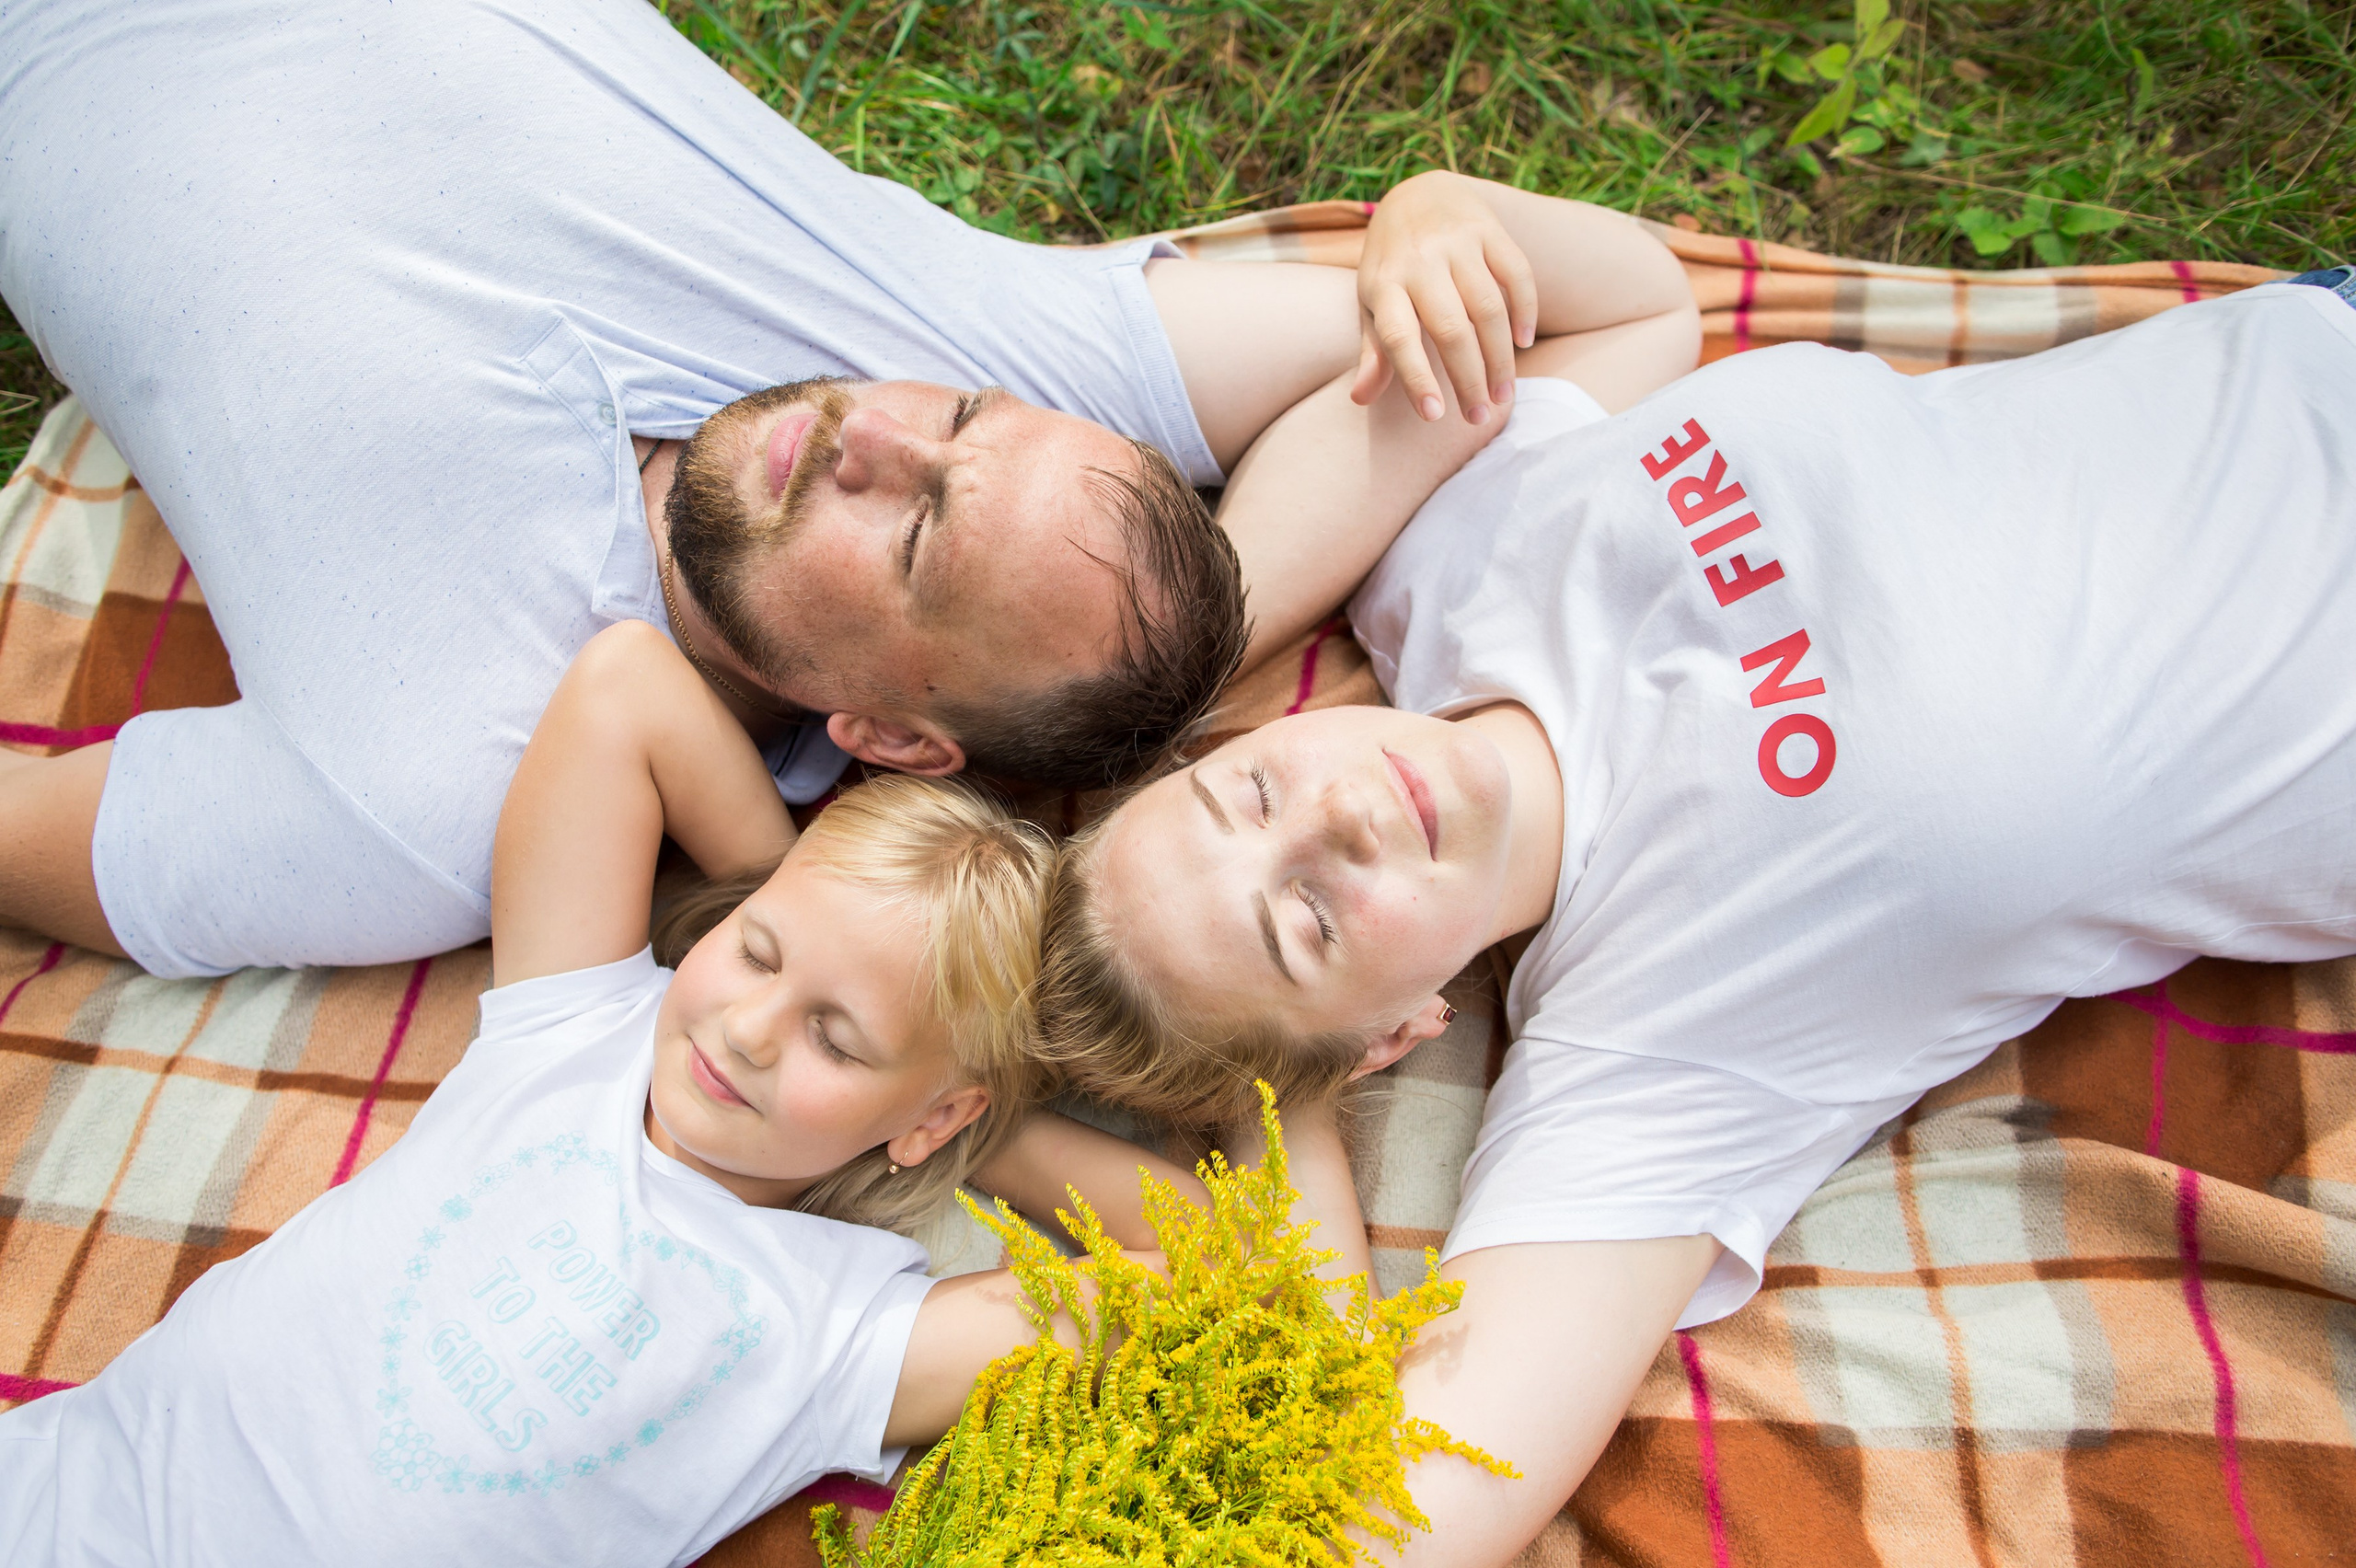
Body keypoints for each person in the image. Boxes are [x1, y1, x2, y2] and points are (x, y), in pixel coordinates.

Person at [1035, 273, 2356, 1563]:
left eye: (1252, 790)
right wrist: (1249, 1122)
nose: (1331, 823)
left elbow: (1600, 297)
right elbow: (1404, 1518)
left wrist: (1451, 216)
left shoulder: (1439, 557)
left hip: (2306, 334)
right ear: (1391, 1038)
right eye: (1310, 922)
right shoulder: (1655, 1047)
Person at [0, 0, 1692, 979]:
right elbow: (1616, 316)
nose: (875, 439)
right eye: (956, 428)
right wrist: (1435, 208)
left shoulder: (444, 797)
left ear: (886, 736)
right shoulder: (1014, 375)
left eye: (921, 536)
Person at [0, 614, 1345, 1567]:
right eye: (753, 952)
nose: (749, 1028)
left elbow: (1250, 1281)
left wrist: (979, 1129)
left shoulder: (832, 1334)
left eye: (835, 1035)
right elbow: (622, 689)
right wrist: (796, 900)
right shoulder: (576, 1032)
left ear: (932, 1114)